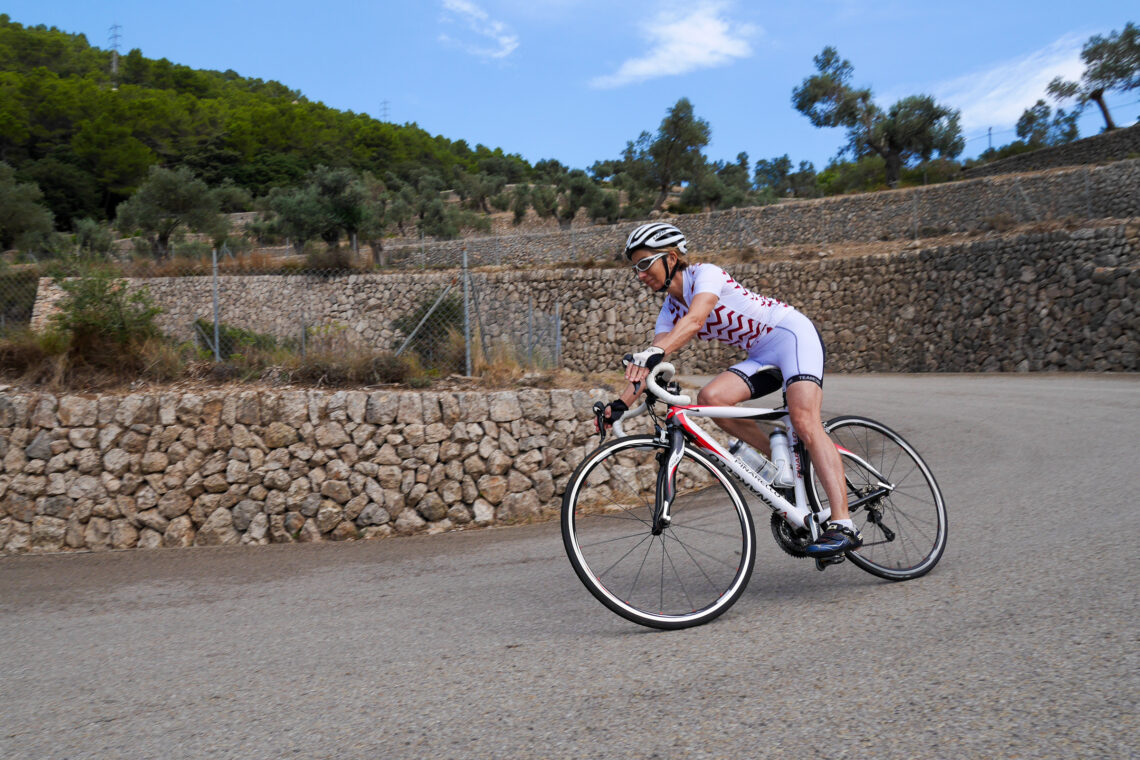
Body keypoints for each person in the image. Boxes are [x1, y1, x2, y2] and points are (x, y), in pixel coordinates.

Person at [600, 222, 860, 555]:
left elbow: (694, 321)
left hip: (792, 335)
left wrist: (659, 350)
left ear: (671, 257)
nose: (638, 275)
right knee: (711, 399)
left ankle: (844, 524)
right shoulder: (669, 309)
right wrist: (619, 404)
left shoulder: (705, 275)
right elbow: (653, 361)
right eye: (634, 268)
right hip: (762, 355)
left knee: (804, 419)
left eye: (643, 264)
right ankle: (782, 469)